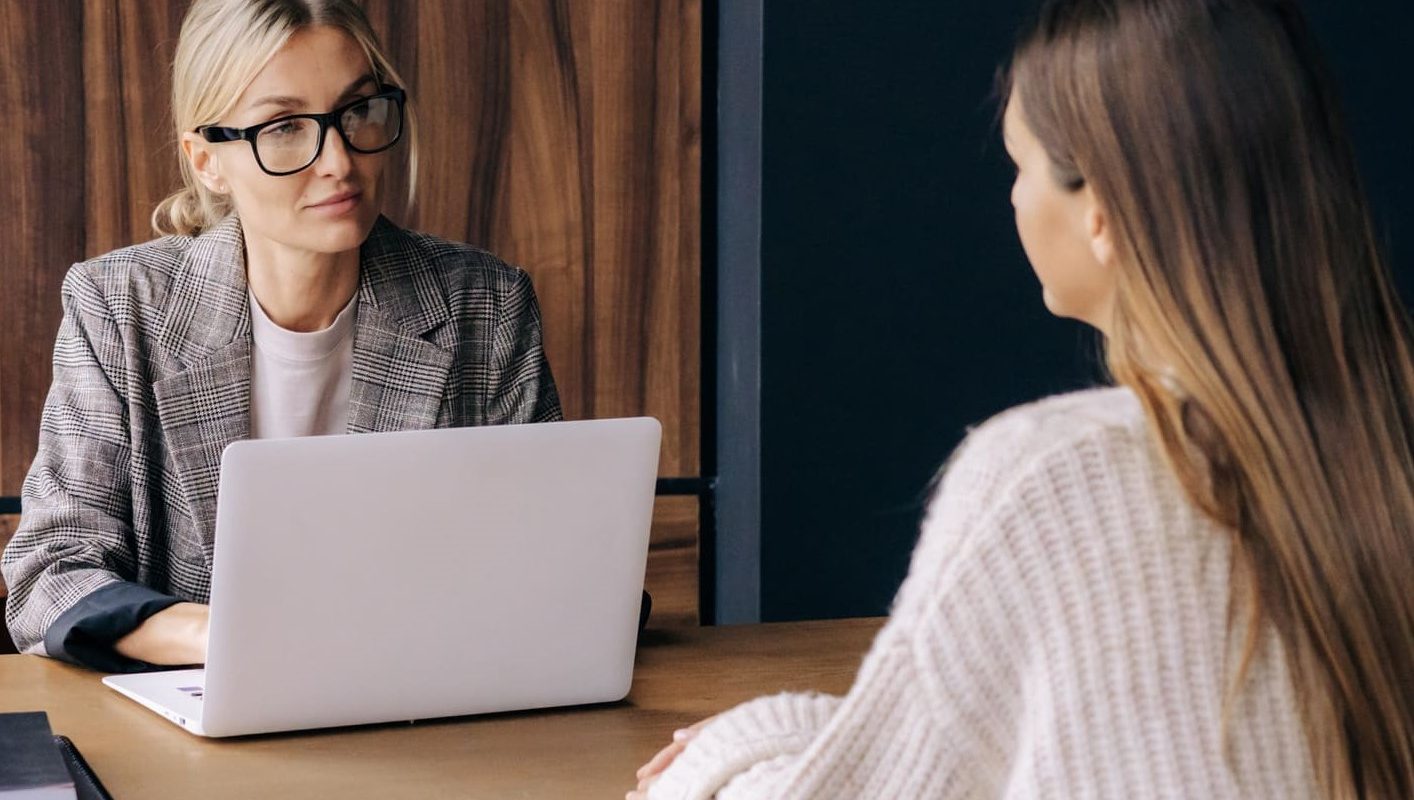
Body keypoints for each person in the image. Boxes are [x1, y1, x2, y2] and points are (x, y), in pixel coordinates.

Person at [631, 0, 1414, 797]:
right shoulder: (1384, 452)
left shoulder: (1056, 477)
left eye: (1020, 164)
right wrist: (829, 730)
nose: (1012, 198)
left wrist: (721, 753)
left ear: (1101, 210)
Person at [1, 0, 561, 672]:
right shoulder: (120, 307)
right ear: (207, 160)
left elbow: (550, 565)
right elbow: (51, 572)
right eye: (286, 127)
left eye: (358, 110)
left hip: (424, 699)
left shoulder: (485, 304)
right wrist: (232, 637)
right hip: (194, 712)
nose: (339, 161)